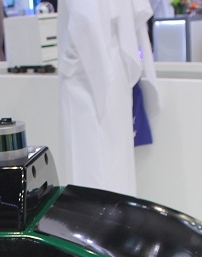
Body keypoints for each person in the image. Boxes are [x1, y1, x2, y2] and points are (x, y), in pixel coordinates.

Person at [58, 0, 156, 197]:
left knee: (88, 164)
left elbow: (84, 21)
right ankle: (118, 222)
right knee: (115, 161)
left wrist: (67, 65)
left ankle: (96, 224)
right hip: (112, 68)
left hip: (85, 76)